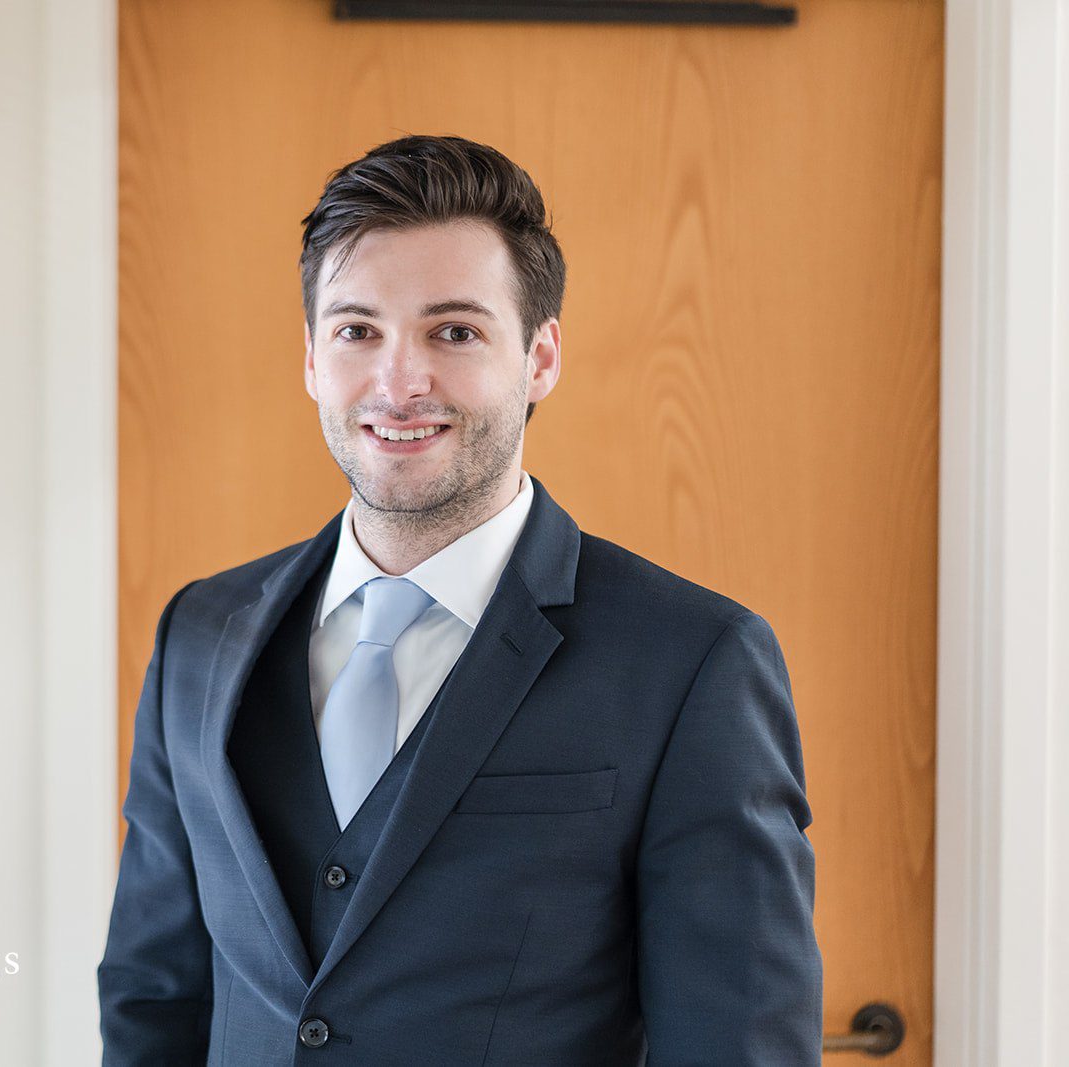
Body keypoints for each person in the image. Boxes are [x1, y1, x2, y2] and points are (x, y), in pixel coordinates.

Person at [98, 134, 822, 1064]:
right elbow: (153, 997)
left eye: (455, 331)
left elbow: (736, 1043)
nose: (400, 382)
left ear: (541, 357)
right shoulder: (200, 631)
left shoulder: (693, 661)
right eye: (358, 330)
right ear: (313, 359)